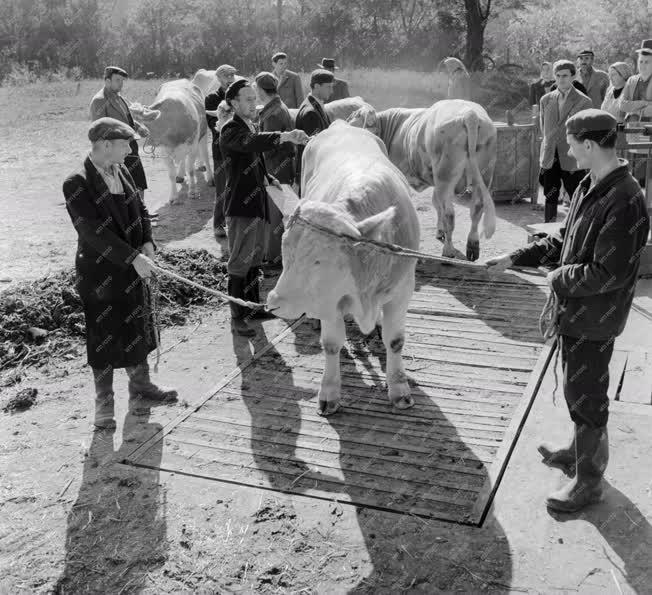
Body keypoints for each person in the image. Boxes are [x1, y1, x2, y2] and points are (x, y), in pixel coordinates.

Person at [487, 109, 649, 513]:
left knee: (588, 395)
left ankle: (589, 482)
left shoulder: (626, 199)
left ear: (590, 145)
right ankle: (579, 451)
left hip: (596, 317)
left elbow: (607, 272)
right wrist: (513, 257)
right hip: (577, 313)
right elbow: (565, 241)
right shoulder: (589, 185)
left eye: (572, 144)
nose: (569, 151)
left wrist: (558, 279)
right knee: (577, 388)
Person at [63, 118, 178, 430]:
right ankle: (104, 403)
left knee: (136, 325)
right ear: (105, 144)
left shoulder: (123, 170)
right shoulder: (77, 182)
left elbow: (141, 211)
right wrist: (133, 257)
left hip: (133, 264)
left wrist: (148, 242)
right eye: (125, 143)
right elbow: (93, 233)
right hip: (100, 274)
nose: (130, 149)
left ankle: (141, 385)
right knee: (103, 337)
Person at [219, 79, 309, 336]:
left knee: (254, 258)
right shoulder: (231, 129)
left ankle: (252, 307)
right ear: (234, 103)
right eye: (247, 100)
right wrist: (285, 136)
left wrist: (267, 178)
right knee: (239, 262)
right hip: (240, 207)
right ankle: (237, 317)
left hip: (255, 204)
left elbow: (254, 157)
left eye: (253, 98)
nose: (252, 104)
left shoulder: (247, 125)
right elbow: (251, 143)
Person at [538, 59, 592, 222]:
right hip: (549, 155)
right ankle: (547, 233)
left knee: (578, 196)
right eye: (558, 75)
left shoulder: (584, 101)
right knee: (550, 195)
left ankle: (577, 232)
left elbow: (585, 132)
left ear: (573, 76)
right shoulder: (546, 99)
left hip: (572, 156)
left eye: (565, 76)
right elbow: (544, 128)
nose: (561, 79)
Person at [89, 67, 151, 206]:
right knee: (122, 184)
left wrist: (138, 127)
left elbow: (127, 119)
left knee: (138, 179)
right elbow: (99, 130)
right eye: (117, 80)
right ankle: (130, 216)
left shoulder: (119, 97)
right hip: (115, 150)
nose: (121, 84)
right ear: (107, 81)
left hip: (129, 145)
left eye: (122, 80)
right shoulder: (99, 101)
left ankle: (142, 212)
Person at [255, 72, 295, 269]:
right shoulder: (278, 107)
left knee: (274, 217)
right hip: (283, 168)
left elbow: (268, 146)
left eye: (256, 88)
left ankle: (273, 258)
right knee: (282, 214)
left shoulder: (272, 114)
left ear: (262, 90)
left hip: (274, 170)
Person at [205, 64, 237, 239]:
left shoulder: (238, 95)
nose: (230, 78)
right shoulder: (211, 98)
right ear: (219, 78)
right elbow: (212, 125)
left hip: (239, 149)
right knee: (222, 189)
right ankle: (218, 224)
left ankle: (233, 222)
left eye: (232, 75)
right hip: (220, 149)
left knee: (237, 187)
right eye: (226, 75)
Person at [295, 69, 334, 193]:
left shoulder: (316, 106)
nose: (331, 91)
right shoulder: (311, 113)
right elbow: (313, 151)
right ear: (317, 86)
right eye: (328, 87)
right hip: (314, 178)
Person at [619, 39, 652, 186]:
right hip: (633, 131)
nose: (643, 64)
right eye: (641, 61)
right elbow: (622, 105)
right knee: (636, 173)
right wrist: (644, 104)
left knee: (649, 173)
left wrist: (635, 107)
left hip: (650, 131)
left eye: (647, 61)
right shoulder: (632, 80)